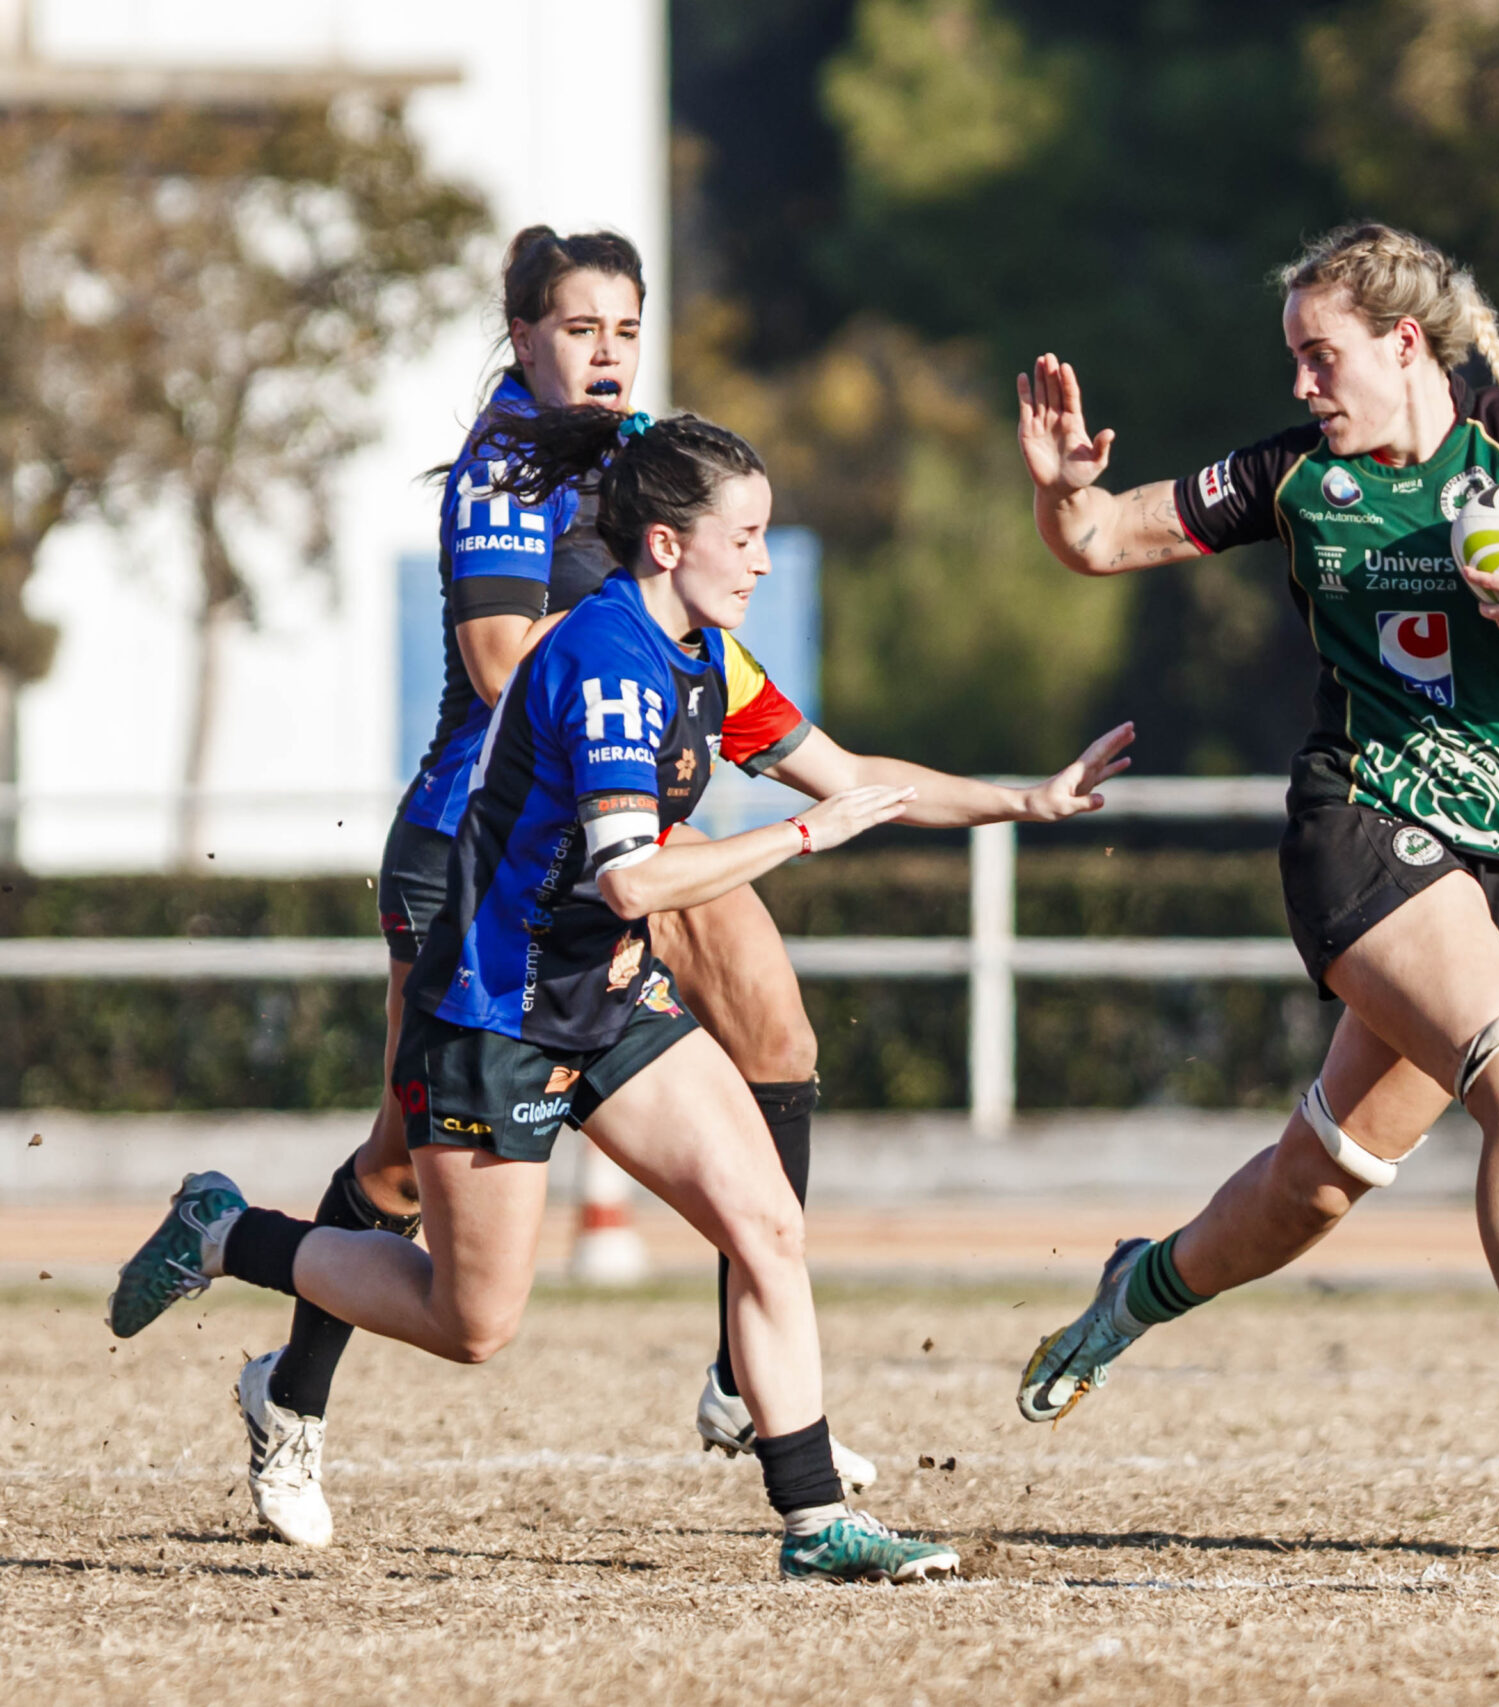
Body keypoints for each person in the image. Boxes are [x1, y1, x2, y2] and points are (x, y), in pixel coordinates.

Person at [113, 404, 1135, 1581]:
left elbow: (850, 774)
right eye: (742, 536)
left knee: (766, 1224)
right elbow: (639, 875)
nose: (760, 557)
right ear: (666, 544)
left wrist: (1024, 801)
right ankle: (228, 1232)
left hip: (609, 999)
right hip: (494, 1017)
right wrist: (802, 838)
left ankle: (813, 1525)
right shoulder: (607, 666)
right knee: (469, 1324)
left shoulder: (705, 654)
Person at [1008, 221, 1499, 1534]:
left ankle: (1138, 1286)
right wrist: (1062, 491)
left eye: (1321, 357)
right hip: (1361, 821)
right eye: (1295, 360)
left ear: (1404, 344)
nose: (1302, 386)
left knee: (1322, 1176)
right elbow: (1102, 540)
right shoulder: (1295, 476)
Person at [239, 227, 861, 1549]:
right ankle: (292, 1392)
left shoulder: (636, 454)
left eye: (625, 327)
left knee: (778, 1032)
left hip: (621, 834)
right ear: (521, 334)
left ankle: (738, 1380)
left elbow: (702, 594)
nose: (608, 350)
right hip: (491, 849)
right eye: (581, 327)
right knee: (404, 1166)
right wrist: (648, 698)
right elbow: (507, 656)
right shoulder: (506, 466)